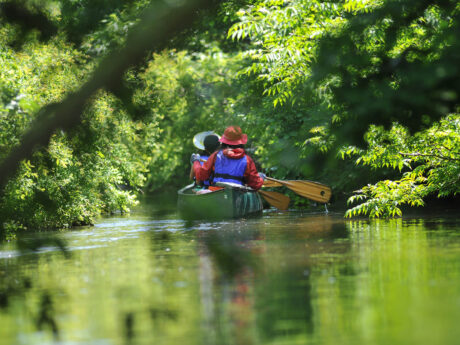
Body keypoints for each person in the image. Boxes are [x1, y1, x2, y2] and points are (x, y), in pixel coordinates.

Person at [191, 126, 265, 191]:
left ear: (224, 142)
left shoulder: (216, 155)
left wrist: (196, 161)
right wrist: (261, 178)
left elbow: (201, 176)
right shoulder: (247, 159)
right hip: (237, 194)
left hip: (216, 191)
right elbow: (255, 185)